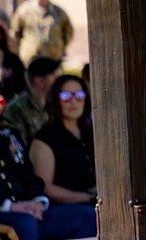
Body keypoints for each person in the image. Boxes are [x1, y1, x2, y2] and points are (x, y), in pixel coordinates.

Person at [0, 70, 95, 240]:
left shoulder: (8, 131)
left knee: (87, 215)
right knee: (26, 223)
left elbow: (28, 174)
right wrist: (10, 206)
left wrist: (39, 201)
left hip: (29, 210)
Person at [30, 75, 97, 209]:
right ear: (55, 100)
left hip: (96, 201)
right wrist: (86, 197)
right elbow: (44, 186)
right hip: (65, 208)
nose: (73, 101)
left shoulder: (93, 132)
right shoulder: (45, 138)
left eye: (79, 95)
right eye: (65, 96)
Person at [12, 0, 74, 65]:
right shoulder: (24, 10)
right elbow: (15, 33)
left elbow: (68, 32)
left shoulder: (58, 12)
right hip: (30, 60)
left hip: (53, 58)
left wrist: (58, 46)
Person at [3, 56, 62, 145]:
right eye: (57, 79)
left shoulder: (61, 104)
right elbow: (16, 146)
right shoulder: (16, 110)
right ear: (40, 82)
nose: (62, 84)